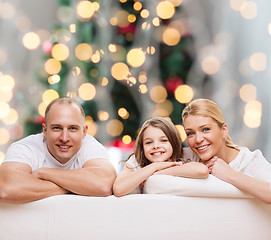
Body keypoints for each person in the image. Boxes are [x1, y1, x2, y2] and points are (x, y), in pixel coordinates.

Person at [0, 97, 116, 203]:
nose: (64, 138)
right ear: (45, 130)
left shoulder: (91, 146)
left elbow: (104, 185)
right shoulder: (26, 147)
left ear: (84, 132)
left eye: (72, 129)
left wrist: (44, 173)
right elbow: (6, 188)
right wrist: (78, 187)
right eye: (57, 128)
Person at [182, 98, 271, 204]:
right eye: (190, 133)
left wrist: (229, 174)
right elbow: (157, 168)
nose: (198, 139)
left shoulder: (249, 160)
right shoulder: (188, 157)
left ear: (224, 130)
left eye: (205, 129)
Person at [113, 117, 208, 197]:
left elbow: (202, 170)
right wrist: (154, 167)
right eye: (149, 142)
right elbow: (118, 189)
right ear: (142, 146)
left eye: (163, 140)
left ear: (173, 142)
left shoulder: (183, 155)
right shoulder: (137, 161)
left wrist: (162, 172)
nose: (156, 146)